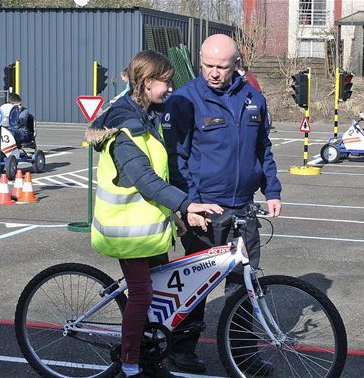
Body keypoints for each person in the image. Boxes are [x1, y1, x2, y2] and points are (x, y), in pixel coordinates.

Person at [85, 50, 223, 378]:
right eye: (166, 81)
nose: (171, 88)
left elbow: (159, 176)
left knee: (160, 290)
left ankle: (148, 355)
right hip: (125, 231)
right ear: (147, 83)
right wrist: (186, 205)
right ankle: (131, 363)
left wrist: (178, 214)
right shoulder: (126, 126)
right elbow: (145, 180)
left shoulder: (146, 116)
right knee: (144, 293)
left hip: (147, 228)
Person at [162, 34, 282, 375]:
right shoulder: (184, 100)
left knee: (244, 288)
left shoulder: (253, 99)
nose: (214, 73)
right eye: (208, 66)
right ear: (200, 62)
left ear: (235, 65)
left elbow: (264, 149)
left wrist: (272, 190)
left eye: (222, 67)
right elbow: (177, 159)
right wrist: (189, 206)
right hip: (205, 212)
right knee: (195, 288)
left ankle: (242, 354)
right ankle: (181, 351)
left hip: (244, 209)